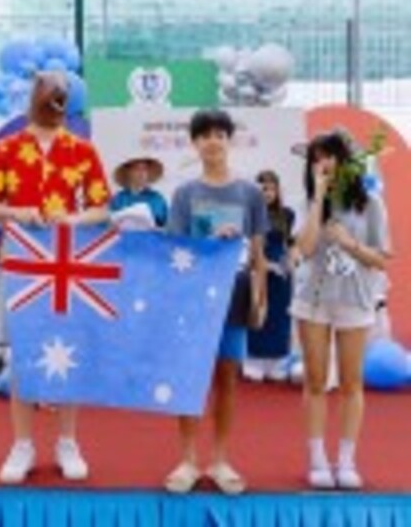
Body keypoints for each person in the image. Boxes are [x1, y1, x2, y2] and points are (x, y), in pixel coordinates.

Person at [0, 71, 111, 484]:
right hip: (20, 262)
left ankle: (67, 441)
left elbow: (101, 206)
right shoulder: (8, 148)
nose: (56, 101)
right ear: (34, 97)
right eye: (49, 94)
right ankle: (22, 443)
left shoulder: (82, 149)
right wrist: (18, 213)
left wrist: (72, 219)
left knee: (66, 350)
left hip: (66, 264)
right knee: (23, 352)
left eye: (62, 95)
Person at [165, 109, 267, 494]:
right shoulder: (185, 194)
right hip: (193, 300)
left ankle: (220, 459)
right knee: (191, 378)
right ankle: (188, 460)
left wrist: (260, 298)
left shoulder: (250, 193)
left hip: (235, 297)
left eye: (219, 135)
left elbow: (258, 253)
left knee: (227, 379)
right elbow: (175, 253)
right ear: (195, 143)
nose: (212, 142)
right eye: (205, 135)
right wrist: (209, 242)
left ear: (229, 140)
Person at [291, 131, 391, 490]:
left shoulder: (371, 204)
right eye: (317, 158)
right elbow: (303, 248)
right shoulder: (306, 202)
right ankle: (317, 458)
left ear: (346, 161)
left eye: (330, 156)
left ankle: (346, 460)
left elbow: (382, 258)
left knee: (351, 382)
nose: (324, 163)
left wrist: (351, 244)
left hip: (355, 299)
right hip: (312, 301)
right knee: (316, 381)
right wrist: (319, 199)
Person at [245, 170, 296, 381]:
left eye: (272, 189)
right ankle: (253, 359)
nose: (267, 193)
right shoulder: (249, 214)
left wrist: (288, 263)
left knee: (279, 315)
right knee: (257, 311)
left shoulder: (287, 214)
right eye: (263, 188)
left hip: (280, 273)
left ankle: (277, 360)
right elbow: (247, 243)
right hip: (257, 270)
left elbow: (291, 244)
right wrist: (259, 263)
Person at [110, 156, 168, 228]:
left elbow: (163, 222)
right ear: (128, 172)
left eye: (145, 169)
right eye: (137, 169)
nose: (141, 173)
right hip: (124, 234)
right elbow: (111, 221)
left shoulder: (156, 198)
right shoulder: (119, 198)